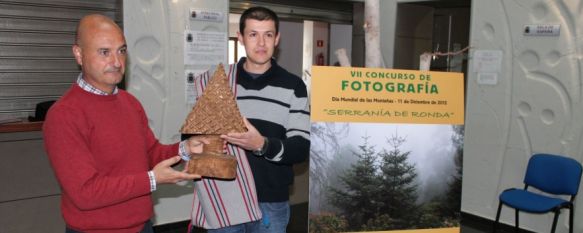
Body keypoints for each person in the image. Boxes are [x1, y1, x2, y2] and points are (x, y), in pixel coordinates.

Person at [43, 14, 207, 233]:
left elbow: (149, 154)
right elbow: (85, 193)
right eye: (104, 52)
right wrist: (151, 180)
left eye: (121, 51)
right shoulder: (63, 115)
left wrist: (184, 149)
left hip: (143, 226)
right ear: (79, 54)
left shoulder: (130, 102)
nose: (117, 62)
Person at [189, 6, 310, 233]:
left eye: (268, 34)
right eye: (253, 34)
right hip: (225, 198)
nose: (261, 43)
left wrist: (261, 144)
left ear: (277, 39)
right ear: (241, 38)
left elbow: (301, 148)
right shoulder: (220, 83)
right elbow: (195, 137)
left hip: (270, 203)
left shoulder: (293, 86)